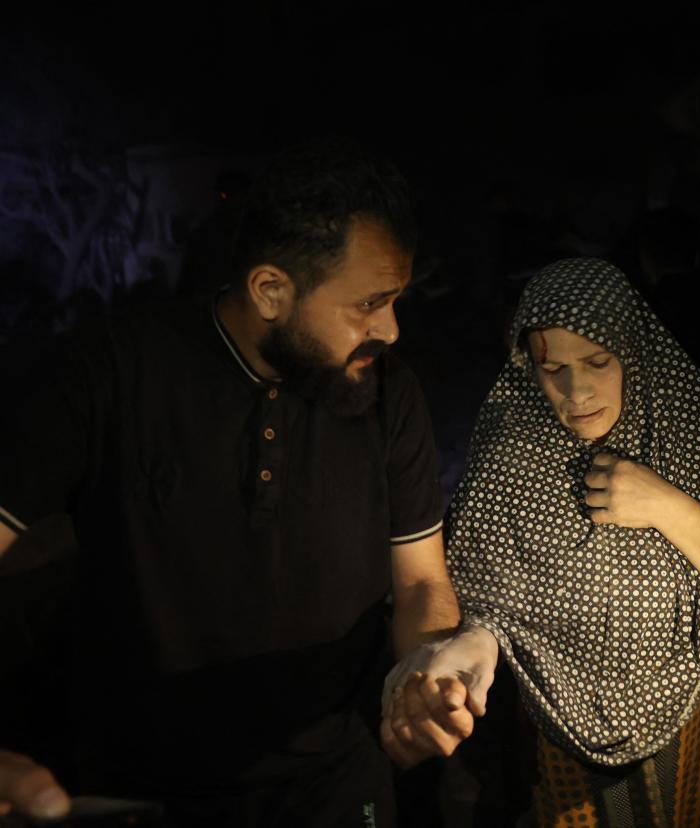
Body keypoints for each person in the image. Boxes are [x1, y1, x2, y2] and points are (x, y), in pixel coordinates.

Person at [0, 139, 461, 827]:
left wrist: (427, 675)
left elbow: (421, 583)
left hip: (335, 785)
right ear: (271, 290)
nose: (390, 330)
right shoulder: (110, 372)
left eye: (397, 300)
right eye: (370, 303)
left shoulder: (387, 393)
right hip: (141, 792)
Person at [387, 258, 700, 826]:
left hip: (685, 722)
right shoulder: (513, 450)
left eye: (598, 362)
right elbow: (492, 597)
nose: (576, 391)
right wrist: (475, 646)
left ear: (633, 353)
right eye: (551, 367)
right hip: (560, 730)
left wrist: (666, 505)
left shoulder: (688, 436)